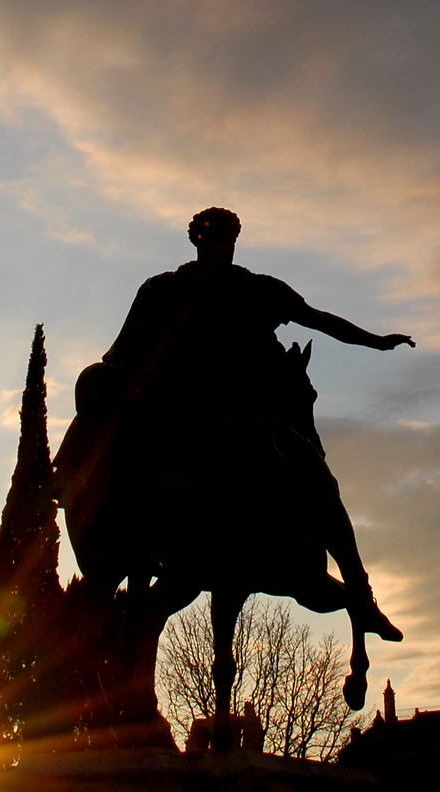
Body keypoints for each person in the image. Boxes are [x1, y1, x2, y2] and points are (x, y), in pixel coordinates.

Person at [60, 206, 411, 640]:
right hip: (234, 416)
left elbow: (122, 354)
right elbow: (321, 321)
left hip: (168, 414)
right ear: (227, 241)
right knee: (321, 485)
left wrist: (376, 342)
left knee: (105, 413)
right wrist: (375, 342)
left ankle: (67, 485)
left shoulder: (164, 288)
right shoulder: (248, 289)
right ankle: (361, 597)